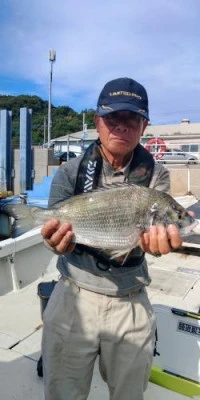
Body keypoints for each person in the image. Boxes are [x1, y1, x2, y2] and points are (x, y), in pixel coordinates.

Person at [41, 77, 183, 400]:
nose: (121, 126)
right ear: (97, 122)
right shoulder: (70, 172)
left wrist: (158, 245)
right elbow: (53, 230)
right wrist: (53, 241)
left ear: (144, 125)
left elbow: (154, 232)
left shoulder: (156, 175)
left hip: (130, 298)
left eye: (131, 118)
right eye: (112, 117)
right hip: (72, 296)